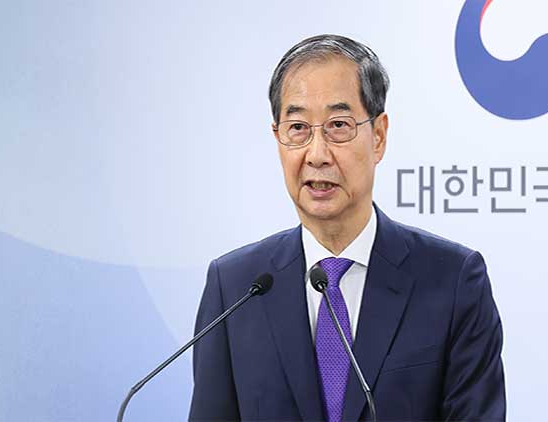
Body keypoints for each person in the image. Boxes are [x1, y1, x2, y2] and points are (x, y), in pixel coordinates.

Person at [189, 34, 506, 421]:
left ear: (379, 136)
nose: (317, 154)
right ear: (278, 138)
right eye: (298, 128)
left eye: (338, 125)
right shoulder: (236, 286)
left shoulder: (453, 281)